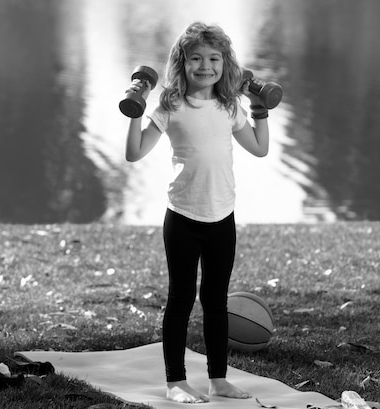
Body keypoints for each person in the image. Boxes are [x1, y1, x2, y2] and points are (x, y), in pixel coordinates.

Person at [124, 22, 270, 404]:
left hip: (222, 217)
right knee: (181, 298)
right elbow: (135, 152)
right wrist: (134, 110)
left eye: (214, 59)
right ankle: (175, 382)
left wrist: (260, 110)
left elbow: (259, 148)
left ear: (225, 63)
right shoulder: (171, 105)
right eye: (196, 59)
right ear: (182, 62)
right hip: (183, 218)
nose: (205, 66)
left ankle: (218, 380)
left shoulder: (228, 105)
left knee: (215, 302)